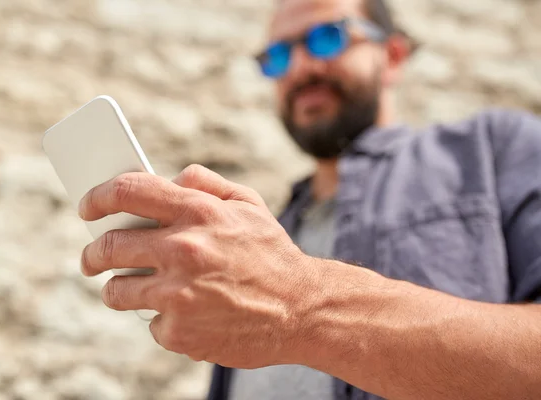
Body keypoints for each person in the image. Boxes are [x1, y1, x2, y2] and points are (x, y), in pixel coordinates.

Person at [76, 0, 541, 398]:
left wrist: (299, 305)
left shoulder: (494, 150)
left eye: (327, 38)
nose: (299, 68)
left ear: (393, 55)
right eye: (277, 56)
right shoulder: (267, 230)